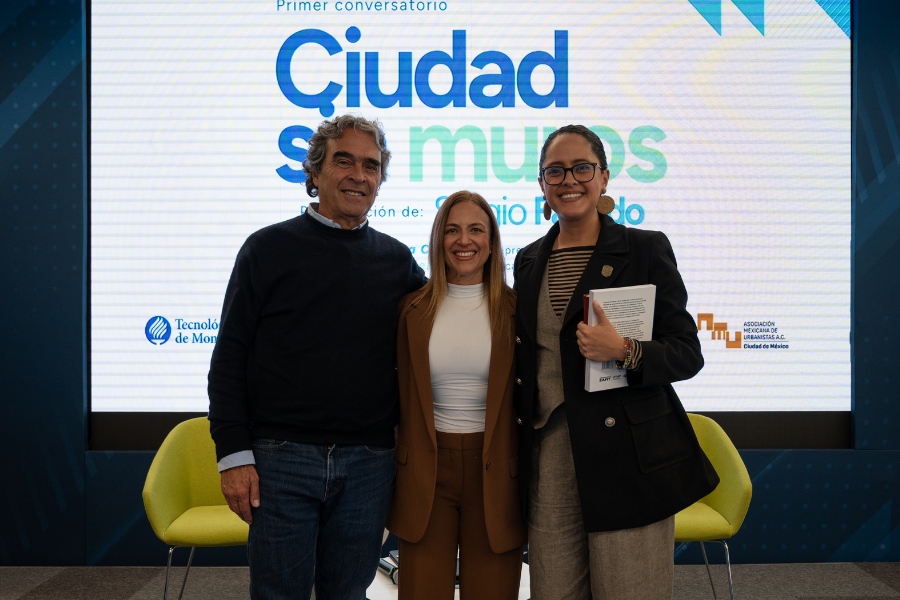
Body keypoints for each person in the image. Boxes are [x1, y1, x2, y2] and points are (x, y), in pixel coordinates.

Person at [207, 114, 426, 600]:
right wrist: (232, 455)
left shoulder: (396, 260)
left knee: (348, 595)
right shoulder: (266, 249)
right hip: (281, 461)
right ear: (314, 172)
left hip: (370, 464)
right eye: (343, 161)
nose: (359, 175)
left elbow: (446, 321)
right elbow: (229, 357)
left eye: (371, 166)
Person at [513, 125, 720, 599]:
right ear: (542, 184)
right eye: (555, 171)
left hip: (627, 460)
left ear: (604, 177)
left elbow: (687, 352)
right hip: (550, 460)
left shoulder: (645, 249)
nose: (569, 180)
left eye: (582, 168)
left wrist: (625, 350)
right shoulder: (528, 260)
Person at [387, 191, 526, 600]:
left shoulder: (518, 311)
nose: (464, 240)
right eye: (452, 230)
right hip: (425, 474)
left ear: (492, 241)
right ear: (438, 240)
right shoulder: (410, 309)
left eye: (475, 229)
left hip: (496, 472)